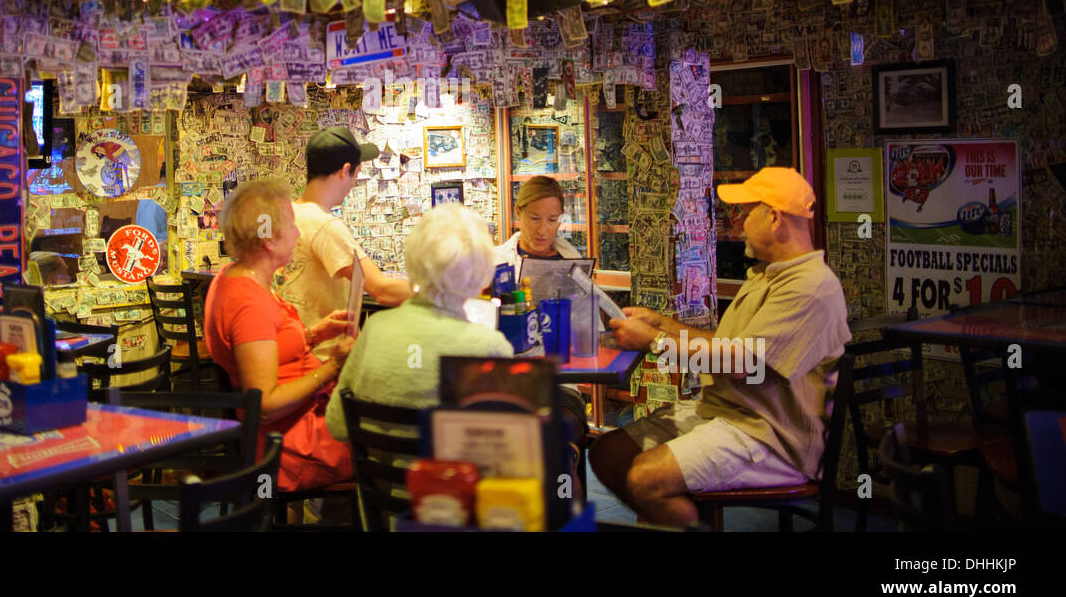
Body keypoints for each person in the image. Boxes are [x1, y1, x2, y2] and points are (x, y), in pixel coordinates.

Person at [589, 167, 850, 528]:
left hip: (771, 434)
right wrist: (660, 323)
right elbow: (727, 347)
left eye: (744, 211)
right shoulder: (767, 274)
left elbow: (744, 363)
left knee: (646, 479)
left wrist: (654, 341)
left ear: (774, 217)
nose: (737, 221)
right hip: (727, 413)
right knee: (608, 453)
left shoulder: (809, 287)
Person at [204, 177, 355, 492]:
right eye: (292, 226)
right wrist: (332, 368)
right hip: (289, 447)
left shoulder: (235, 277)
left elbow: (266, 345)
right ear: (269, 240)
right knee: (391, 442)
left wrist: (314, 334)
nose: (298, 234)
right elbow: (266, 405)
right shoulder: (248, 301)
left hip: (293, 428)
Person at [325, 203, 512, 440]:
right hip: (456, 476)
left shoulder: (374, 328)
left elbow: (337, 425)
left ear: (412, 261)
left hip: (382, 477)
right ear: (483, 275)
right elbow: (503, 446)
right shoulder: (491, 348)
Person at [275, 126, 411, 354]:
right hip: (321, 362)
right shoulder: (324, 225)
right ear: (345, 170)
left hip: (290, 351)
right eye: (356, 174)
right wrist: (451, 291)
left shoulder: (286, 214)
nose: (353, 182)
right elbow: (383, 290)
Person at [491, 175, 588, 444]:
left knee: (560, 430)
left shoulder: (570, 258)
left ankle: (564, 478)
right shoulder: (495, 262)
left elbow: (591, 329)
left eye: (553, 220)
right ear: (518, 212)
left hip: (560, 381)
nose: (543, 230)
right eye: (534, 218)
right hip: (507, 382)